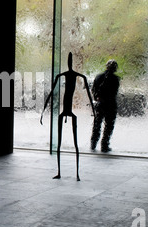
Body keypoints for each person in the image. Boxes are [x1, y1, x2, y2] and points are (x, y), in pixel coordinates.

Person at [41, 52, 95, 181]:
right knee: (59, 144)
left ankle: (77, 174)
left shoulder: (77, 76)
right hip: (65, 111)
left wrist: (94, 112)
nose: (69, 63)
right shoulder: (63, 75)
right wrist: (43, 112)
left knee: (75, 144)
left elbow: (88, 92)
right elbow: (50, 94)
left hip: (69, 112)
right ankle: (60, 172)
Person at [90, 59, 120, 153]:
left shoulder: (99, 77)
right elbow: (114, 93)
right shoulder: (115, 79)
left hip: (100, 104)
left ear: (106, 66)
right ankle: (104, 145)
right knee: (109, 126)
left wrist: (97, 98)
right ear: (115, 68)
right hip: (110, 105)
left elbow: (93, 90)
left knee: (97, 124)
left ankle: (93, 143)